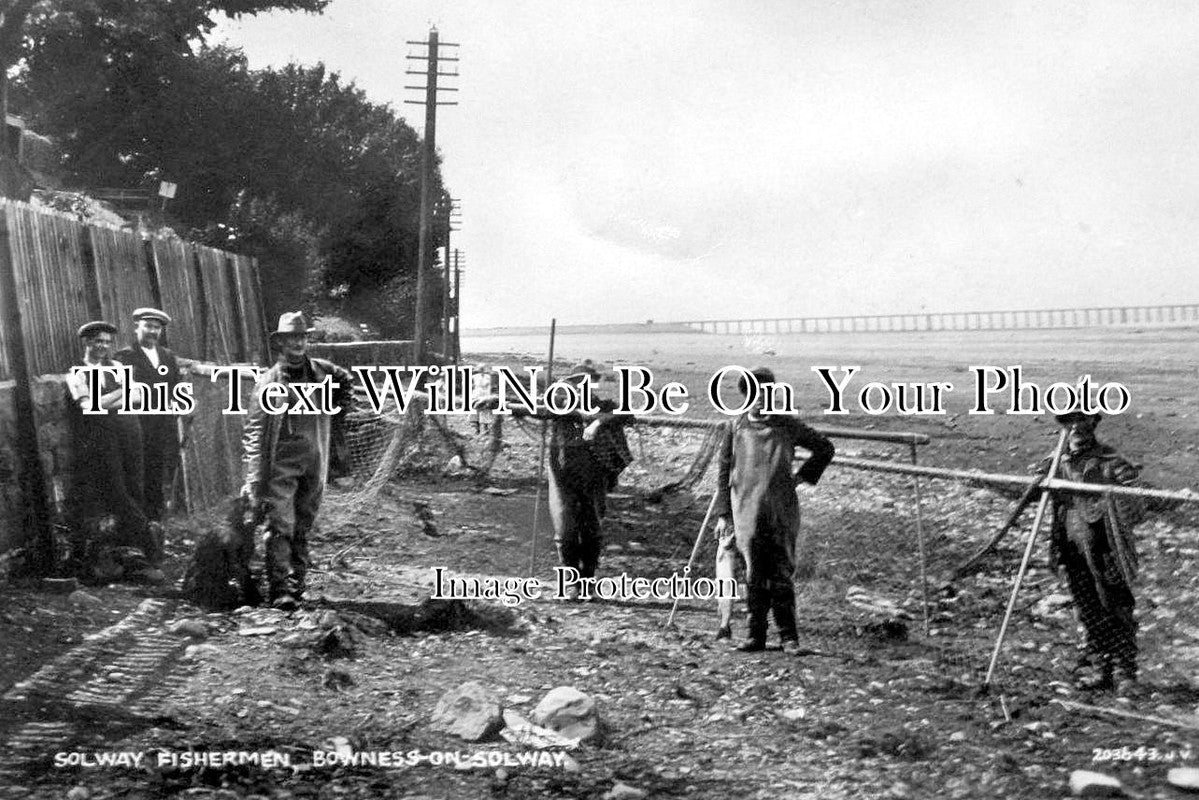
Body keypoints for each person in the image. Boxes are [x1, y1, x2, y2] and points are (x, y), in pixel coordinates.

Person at [712, 367, 835, 654]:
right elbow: (723, 472)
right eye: (751, 394)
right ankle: (755, 636)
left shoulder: (787, 425)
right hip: (745, 511)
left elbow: (825, 448)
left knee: (780, 573)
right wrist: (723, 514)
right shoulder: (735, 427)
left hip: (780, 511)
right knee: (753, 573)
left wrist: (800, 477)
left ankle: (789, 638)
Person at [241, 312, 355, 610]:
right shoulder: (267, 382)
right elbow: (254, 433)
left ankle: (298, 585)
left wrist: (339, 409)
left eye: (302, 338)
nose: (298, 343)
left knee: (303, 524)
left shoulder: (322, 372)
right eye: (292, 338)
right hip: (280, 464)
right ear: (281, 343)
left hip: (316, 461)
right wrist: (254, 479)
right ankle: (280, 589)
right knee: (280, 524)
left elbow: (347, 380)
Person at [1046, 410, 1145, 694]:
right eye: (1068, 421)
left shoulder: (1111, 462)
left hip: (1105, 550)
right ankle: (1099, 665)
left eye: (1082, 419)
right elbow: (1028, 493)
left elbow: (1139, 505)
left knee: (1115, 605)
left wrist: (1127, 489)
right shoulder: (1056, 463)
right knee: (1087, 607)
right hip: (1071, 547)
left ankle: (1124, 670)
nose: (1075, 426)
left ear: (1094, 422)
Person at [64, 320, 161, 579]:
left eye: (107, 342)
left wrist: (110, 397)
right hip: (102, 439)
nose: (103, 347)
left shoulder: (117, 367)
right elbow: (89, 407)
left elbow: (139, 397)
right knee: (116, 491)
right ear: (86, 342)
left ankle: (133, 556)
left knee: (135, 488)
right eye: (98, 342)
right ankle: (147, 541)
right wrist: (121, 392)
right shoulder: (77, 374)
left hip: (130, 432)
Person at [113, 307, 214, 524]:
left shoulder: (167, 356)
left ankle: (156, 522)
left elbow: (176, 387)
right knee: (136, 473)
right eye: (148, 326)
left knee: (159, 472)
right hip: (137, 426)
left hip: (163, 427)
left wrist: (187, 403)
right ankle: (137, 524)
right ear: (136, 327)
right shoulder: (124, 357)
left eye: (157, 328)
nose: (152, 331)